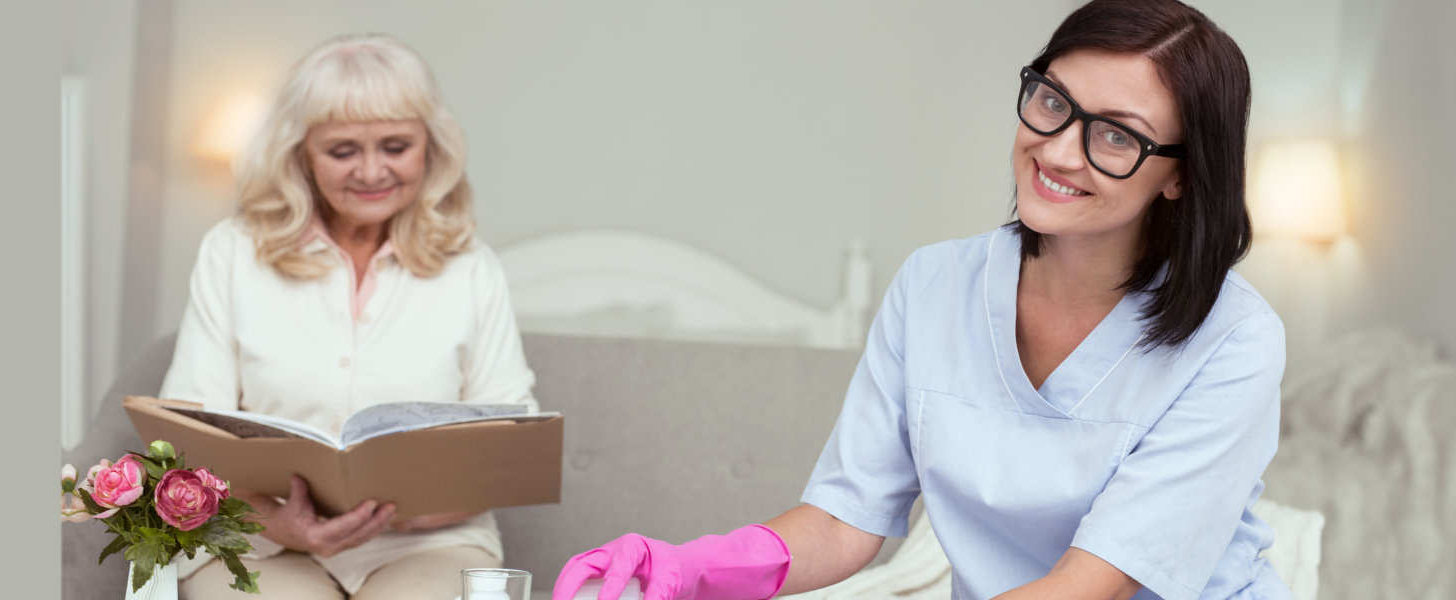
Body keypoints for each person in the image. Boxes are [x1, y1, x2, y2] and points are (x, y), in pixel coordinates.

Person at [553, 1, 1290, 599]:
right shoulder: (933, 287)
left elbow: (1088, 585)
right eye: (1053, 101)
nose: (1061, 151)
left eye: (1117, 138)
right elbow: (845, 521)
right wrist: (693, 568)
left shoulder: (1235, 339)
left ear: (1182, 176)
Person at [159, 33, 538, 600]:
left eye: (395, 146)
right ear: (301, 155)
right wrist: (275, 521)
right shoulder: (233, 252)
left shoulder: (472, 267)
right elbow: (186, 433)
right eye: (342, 151)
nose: (371, 171)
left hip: (428, 543)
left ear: (430, 147)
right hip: (260, 537)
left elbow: (513, 447)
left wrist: (405, 515)